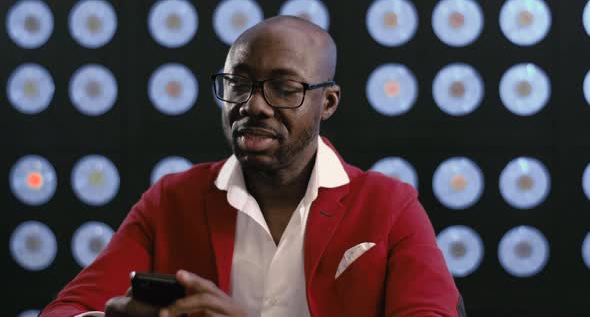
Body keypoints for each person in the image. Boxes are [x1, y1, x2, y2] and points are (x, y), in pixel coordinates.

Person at [41, 16, 465, 317]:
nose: (253, 105)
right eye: (239, 83)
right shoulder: (171, 199)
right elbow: (66, 310)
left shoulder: (389, 204)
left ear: (328, 102)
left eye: (284, 88)